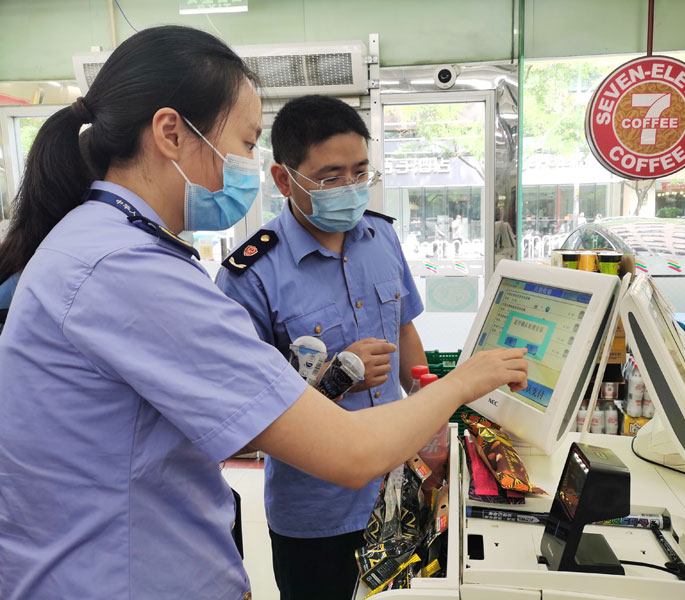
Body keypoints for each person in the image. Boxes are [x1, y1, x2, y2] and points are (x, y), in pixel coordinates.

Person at [0, 26, 528, 600]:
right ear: (171, 133)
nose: (246, 165)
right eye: (247, 143)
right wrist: (465, 383)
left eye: (360, 173)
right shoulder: (130, 269)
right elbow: (349, 452)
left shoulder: (98, 243)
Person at [215, 95, 428, 600]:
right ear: (285, 180)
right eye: (331, 178)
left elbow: (404, 331)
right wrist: (333, 377)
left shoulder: (382, 238)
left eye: (360, 173)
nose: (350, 189)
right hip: (317, 512)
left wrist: (430, 418)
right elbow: (244, 414)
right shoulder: (250, 275)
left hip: (397, 491)